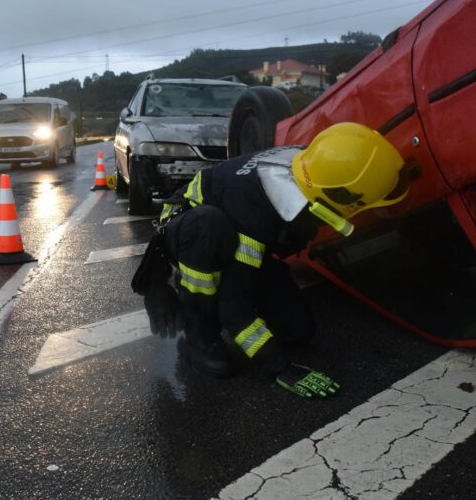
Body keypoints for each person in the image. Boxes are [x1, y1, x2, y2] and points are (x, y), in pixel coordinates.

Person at [131, 122, 407, 398]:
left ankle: (228, 283)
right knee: (209, 232)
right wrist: (278, 366)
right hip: (191, 229)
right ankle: (199, 335)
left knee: (298, 331)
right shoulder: (257, 214)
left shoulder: (314, 166)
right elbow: (233, 305)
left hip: (235, 228)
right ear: (342, 198)